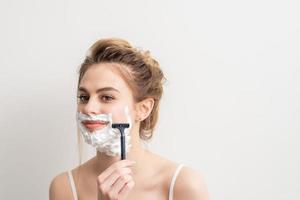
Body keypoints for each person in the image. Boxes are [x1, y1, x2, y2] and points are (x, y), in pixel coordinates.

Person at [49, 38, 209, 200]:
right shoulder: (65, 187)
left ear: (143, 109)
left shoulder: (184, 185)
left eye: (106, 97)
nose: (89, 108)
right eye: (84, 97)